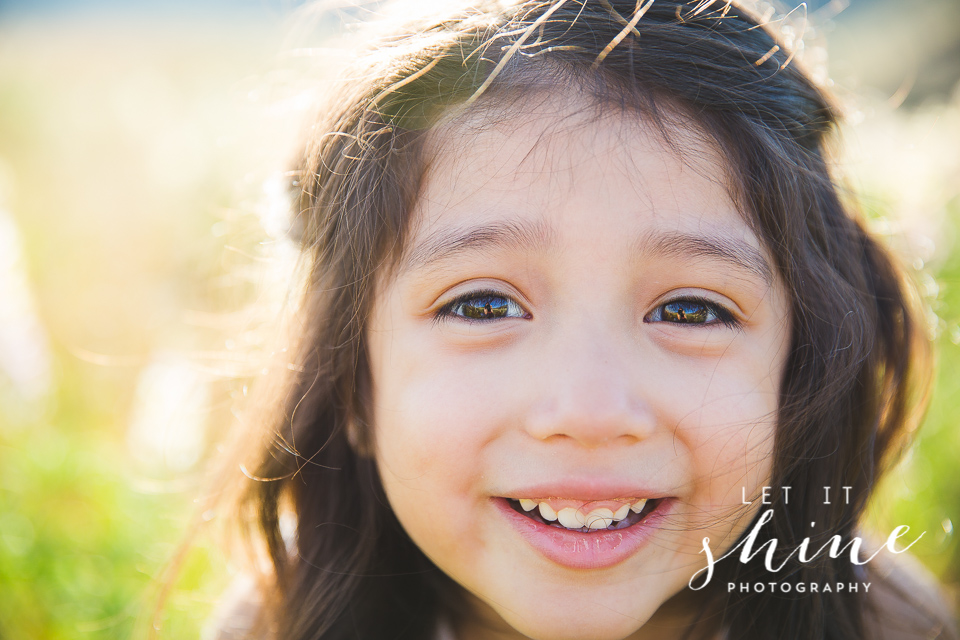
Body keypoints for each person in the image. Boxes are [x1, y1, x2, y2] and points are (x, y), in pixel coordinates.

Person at [202, 1, 958, 638]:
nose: (590, 412)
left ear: (802, 369)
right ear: (350, 380)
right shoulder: (280, 623)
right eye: (482, 304)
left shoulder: (888, 625)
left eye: (691, 310)